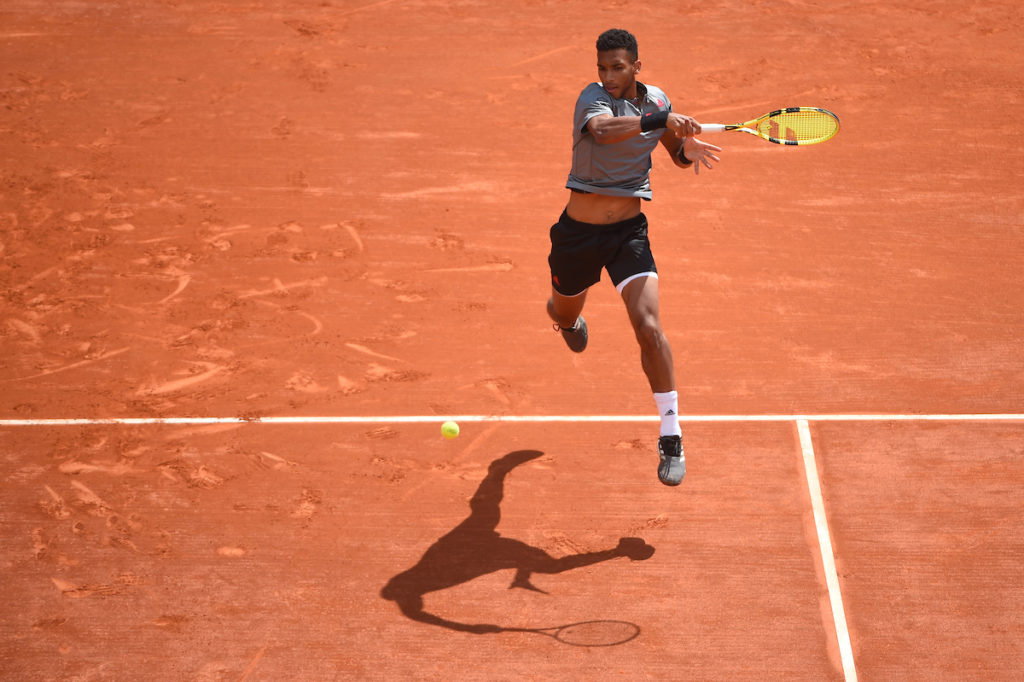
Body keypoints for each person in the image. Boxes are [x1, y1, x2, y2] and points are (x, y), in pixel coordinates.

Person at [546, 28, 721, 486]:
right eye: (602, 67)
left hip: (629, 234)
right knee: (562, 308)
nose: (608, 76)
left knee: (649, 328)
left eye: (618, 67)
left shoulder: (656, 100)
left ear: (637, 66)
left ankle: (671, 434)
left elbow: (674, 154)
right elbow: (603, 133)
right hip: (577, 234)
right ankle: (567, 322)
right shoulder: (593, 100)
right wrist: (659, 121)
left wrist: (685, 146)